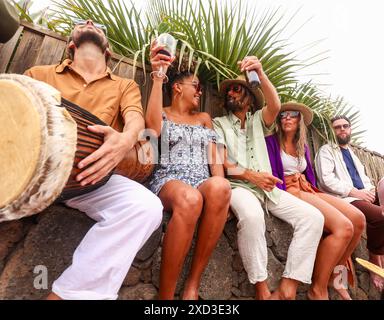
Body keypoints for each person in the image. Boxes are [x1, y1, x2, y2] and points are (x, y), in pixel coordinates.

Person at [24, 19, 163, 300]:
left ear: (108, 50)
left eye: (97, 24)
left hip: (88, 179)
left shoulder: (124, 85)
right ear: (71, 45)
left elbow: (136, 118)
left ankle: (67, 296)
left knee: (146, 206)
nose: (88, 22)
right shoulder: (38, 73)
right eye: (81, 22)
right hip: (32, 173)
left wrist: (125, 139)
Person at [213, 56, 325, 300]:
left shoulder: (258, 121)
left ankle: (288, 285)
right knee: (252, 218)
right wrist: (251, 176)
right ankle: (262, 289)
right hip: (240, 187)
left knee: (314, 218)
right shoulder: (217, 124)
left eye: (237, 89)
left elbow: (275, 105)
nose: (231, 92)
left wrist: (260, 73)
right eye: (229, 90)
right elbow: (221, 162)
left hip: (269, 189)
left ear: (250, 99)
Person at [145, 42, 231, 300]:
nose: (199, 91)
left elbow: (216, 160)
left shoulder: (204, 118)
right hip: (168, 179)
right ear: (178, 87)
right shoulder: (162, 113)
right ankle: (166, 299)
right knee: (190, 199)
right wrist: (159, 76)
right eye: (195, 86)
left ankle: (193, 284)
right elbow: (152, 130)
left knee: (220, 186)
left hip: (200, 181)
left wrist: (222, 197)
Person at [266, 102, 366, 300]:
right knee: (344, 227)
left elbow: (309, 177)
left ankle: (334, 275)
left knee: (358, 219)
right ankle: (317, 289)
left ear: (299, 120)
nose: (287, 117)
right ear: (278, 119)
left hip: (307, 188)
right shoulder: (270, 142)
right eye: (283, 115)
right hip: (289, 190)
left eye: (292, 114)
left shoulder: (302, 146)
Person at [315, 115, 384, 292]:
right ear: (332, 130)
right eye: (337, 127)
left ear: (350, 128)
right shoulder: (326, 151)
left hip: (362, 195)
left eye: (345, 126)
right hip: (345, 198)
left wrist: (368, 191)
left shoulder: (352, 153)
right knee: (379, 218)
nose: (342, 129)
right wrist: (355, 192)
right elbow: (326, 180)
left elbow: (364, 179)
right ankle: (375, 258)